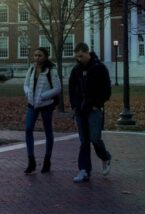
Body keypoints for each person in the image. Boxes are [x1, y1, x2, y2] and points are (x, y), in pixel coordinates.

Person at [68, 42, 112, 183]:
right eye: (76, 56)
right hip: (80, 111)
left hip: (93, 110)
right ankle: (84, 170)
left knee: (95, 139)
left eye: (81, 56)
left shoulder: (99, 68)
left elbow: (106, 90)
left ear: (88, 53)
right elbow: (71, 89)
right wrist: (75, 106)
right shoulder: (76, 70)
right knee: (84, 141)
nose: (78, 59)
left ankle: (105, 157)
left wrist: (97, 104)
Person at [22, 47, 61, 174]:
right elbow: (26, 84)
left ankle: (47, 160)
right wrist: (27, 92)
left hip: (46, 105)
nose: (37, 58)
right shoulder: (32, 68)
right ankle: (31, 161)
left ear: (45, 56)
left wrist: (43, 96)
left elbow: (57, 88)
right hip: (32, 104)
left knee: (48, 131)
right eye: (35, 55)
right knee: (28, 129)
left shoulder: (51, 70)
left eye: (40, 55)